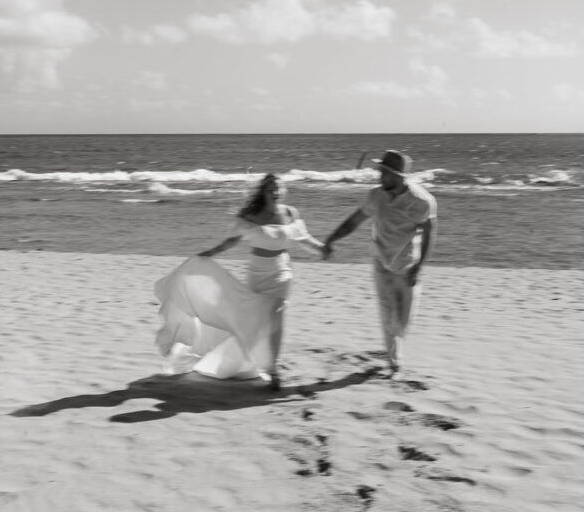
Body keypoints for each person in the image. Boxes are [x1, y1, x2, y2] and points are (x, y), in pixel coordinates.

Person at [155, 174, 323, 390]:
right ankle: (248, 360)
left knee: (277, 311)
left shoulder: (290, 213)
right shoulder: (252, 215)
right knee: (257, 318)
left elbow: (304, 239)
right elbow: (232, 241)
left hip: (282, 271)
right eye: (271, 188)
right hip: (257, 272)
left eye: (279, 188)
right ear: (263, 191)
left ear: (284, 190)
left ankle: (272, 369)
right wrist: (208, 254)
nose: (275, 192)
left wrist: (321, 249)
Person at [322, 149, 437, 380]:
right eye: (380, 171)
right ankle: (395, 364)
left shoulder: (422, 201)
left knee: (404, 320)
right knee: (387, 316)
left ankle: (395, 355)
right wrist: (332, 239)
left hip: (406, 266)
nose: (379, 175)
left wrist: (419, 266)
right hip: (381, 262)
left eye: (384, 172)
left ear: (399, 176)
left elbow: (429, 234)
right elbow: (355, 220)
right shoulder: (375, 196)